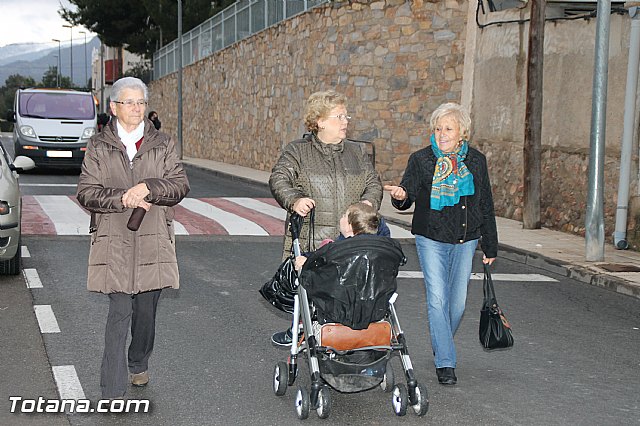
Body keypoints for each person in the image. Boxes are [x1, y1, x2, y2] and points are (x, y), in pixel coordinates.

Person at [76, 77, 190, 399]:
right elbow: (86, 193)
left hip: (153, 238)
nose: (137, 108)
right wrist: (122, 198)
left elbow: (179, 185)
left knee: (145, 312)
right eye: (129, 102)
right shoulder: (99, 146)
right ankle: (111, 389)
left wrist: (150, 188)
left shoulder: (163, 143)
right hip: (114, 240)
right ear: (114, 107)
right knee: (120, 310)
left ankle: (138, 361)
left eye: (141, 102)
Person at [385, 102, 497, 386]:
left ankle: (441, 339)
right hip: (430, 237)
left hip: (465, 238)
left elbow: (484, 203)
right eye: (438, 128)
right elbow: (406, 194)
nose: (442, 133)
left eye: (448, 128)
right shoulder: (421, 159)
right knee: (437, 299)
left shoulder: (475, 161)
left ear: (462, 133)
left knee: (457, 304)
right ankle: (445, 362)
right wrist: (400, 195)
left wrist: (490, 245)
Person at [269, 90, 383, 345]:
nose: (346, 121)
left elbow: (373, 181)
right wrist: (294, 200)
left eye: (346, 116)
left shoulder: (355, 152)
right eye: (339, 116)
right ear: (319, 121)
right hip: (313, 239)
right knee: (312, 290)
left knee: (349, 293)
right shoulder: (298, 152)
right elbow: (279, 178)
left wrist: (369, 202)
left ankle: (344, 338)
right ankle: (302, 329)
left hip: (351, 239)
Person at [294, 202, 384, 271]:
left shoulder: (340, 250)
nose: (341, 217)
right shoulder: (375, 249)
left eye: (344, 216)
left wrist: (306, 261)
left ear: (349, 226)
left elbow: (322, 265)